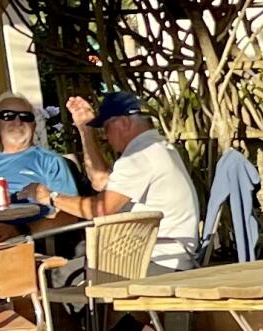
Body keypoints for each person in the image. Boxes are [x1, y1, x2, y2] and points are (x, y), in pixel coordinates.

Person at [30, 91, 200, 272]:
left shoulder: (139, 157)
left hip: (156, 261)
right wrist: (85, 131)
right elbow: (101, 181)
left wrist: (51, 197)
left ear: (124, 123)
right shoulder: (155, 147)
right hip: (162, 256)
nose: (105, 136)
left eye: (106, 128)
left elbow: (101, 210)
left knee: (53, 274)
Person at [0, 96, 80, 199]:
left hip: (30, 221)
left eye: (25, 116)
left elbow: (70, 214)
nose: (18, 122)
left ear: (34, 126)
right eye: (8, 116)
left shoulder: (51, 162)